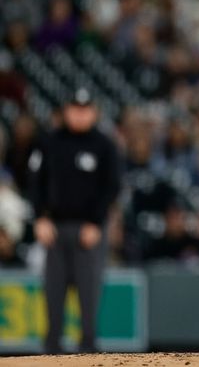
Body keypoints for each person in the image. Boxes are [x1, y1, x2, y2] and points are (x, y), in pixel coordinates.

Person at [28, 87, 122, 354]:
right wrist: (39, 219)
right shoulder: (49, 142)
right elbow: (35, 182)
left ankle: (89, 349)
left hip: (89, 230)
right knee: (53, 292)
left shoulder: (104, 145)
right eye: (75, 109)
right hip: (54, 228)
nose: (80, 115)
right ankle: (52, 350)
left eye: (85, 110)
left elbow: (112, 186)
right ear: (66, 110)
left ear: (94, 112)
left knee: (89, 293)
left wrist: (96, 221)